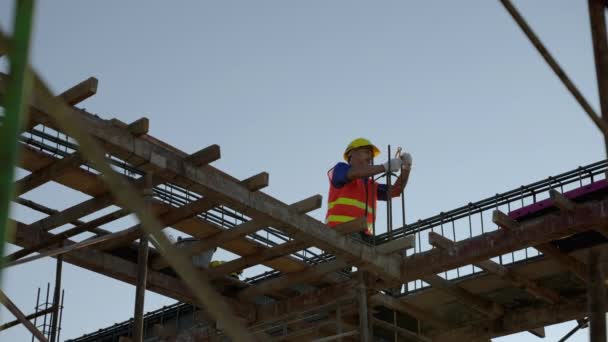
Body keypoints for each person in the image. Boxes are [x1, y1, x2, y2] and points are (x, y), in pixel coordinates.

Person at [325, 138, 412, 243]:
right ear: (351, 153)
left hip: (364, 236)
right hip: (339, 231)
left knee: (395, 252)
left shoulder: (370, 185)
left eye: (371, 155)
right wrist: (384, 167)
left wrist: (406, 168)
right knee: (357, 245)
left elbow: (396, 191)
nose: (370, 157)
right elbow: (353, 173)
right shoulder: (340, 169)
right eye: (366, 152)